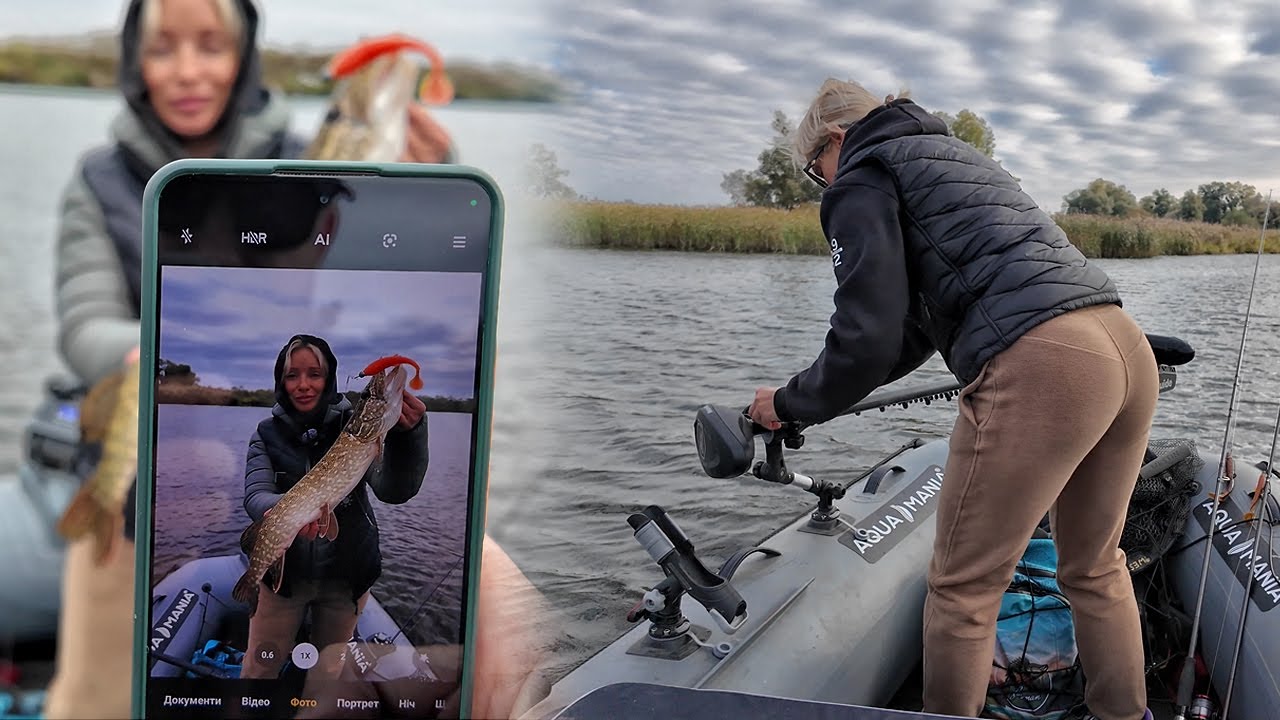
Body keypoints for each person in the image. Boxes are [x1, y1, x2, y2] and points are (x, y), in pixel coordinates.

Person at [43, 0, 456, 716]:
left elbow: (363, 252)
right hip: (127, 477)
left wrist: (429, 183)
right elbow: (83, 328)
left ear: (244, 60)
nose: (188, 70)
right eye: (162, 47)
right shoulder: (99, 178)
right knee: (93, 696)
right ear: (134, 63)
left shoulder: (301, 166)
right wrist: (149, 349)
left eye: (211, 45)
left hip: (326, 561)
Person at [746, 78, 1158, 720]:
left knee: (963, 589)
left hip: (1043, 362)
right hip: (1124, 347)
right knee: (1094, 566)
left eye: (815, 168)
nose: (822, 181)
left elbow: (865, 338)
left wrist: (788, 404)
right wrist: (814, 395)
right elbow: (906, 333)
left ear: (835, 139)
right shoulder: (955, 156)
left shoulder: (862, 175)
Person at [238, 334, 429, 679]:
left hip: (346, 579)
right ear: (281, 381)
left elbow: (394, 490)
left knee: (327, 673)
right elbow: (255, 494)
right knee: (258, 671)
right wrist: (289, 512)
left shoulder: (355, 430)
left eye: (315, 374)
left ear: (330, 378)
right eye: (292, 375)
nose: (304, 384)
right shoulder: (266, 434)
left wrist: (409, 436)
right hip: (285, 582)